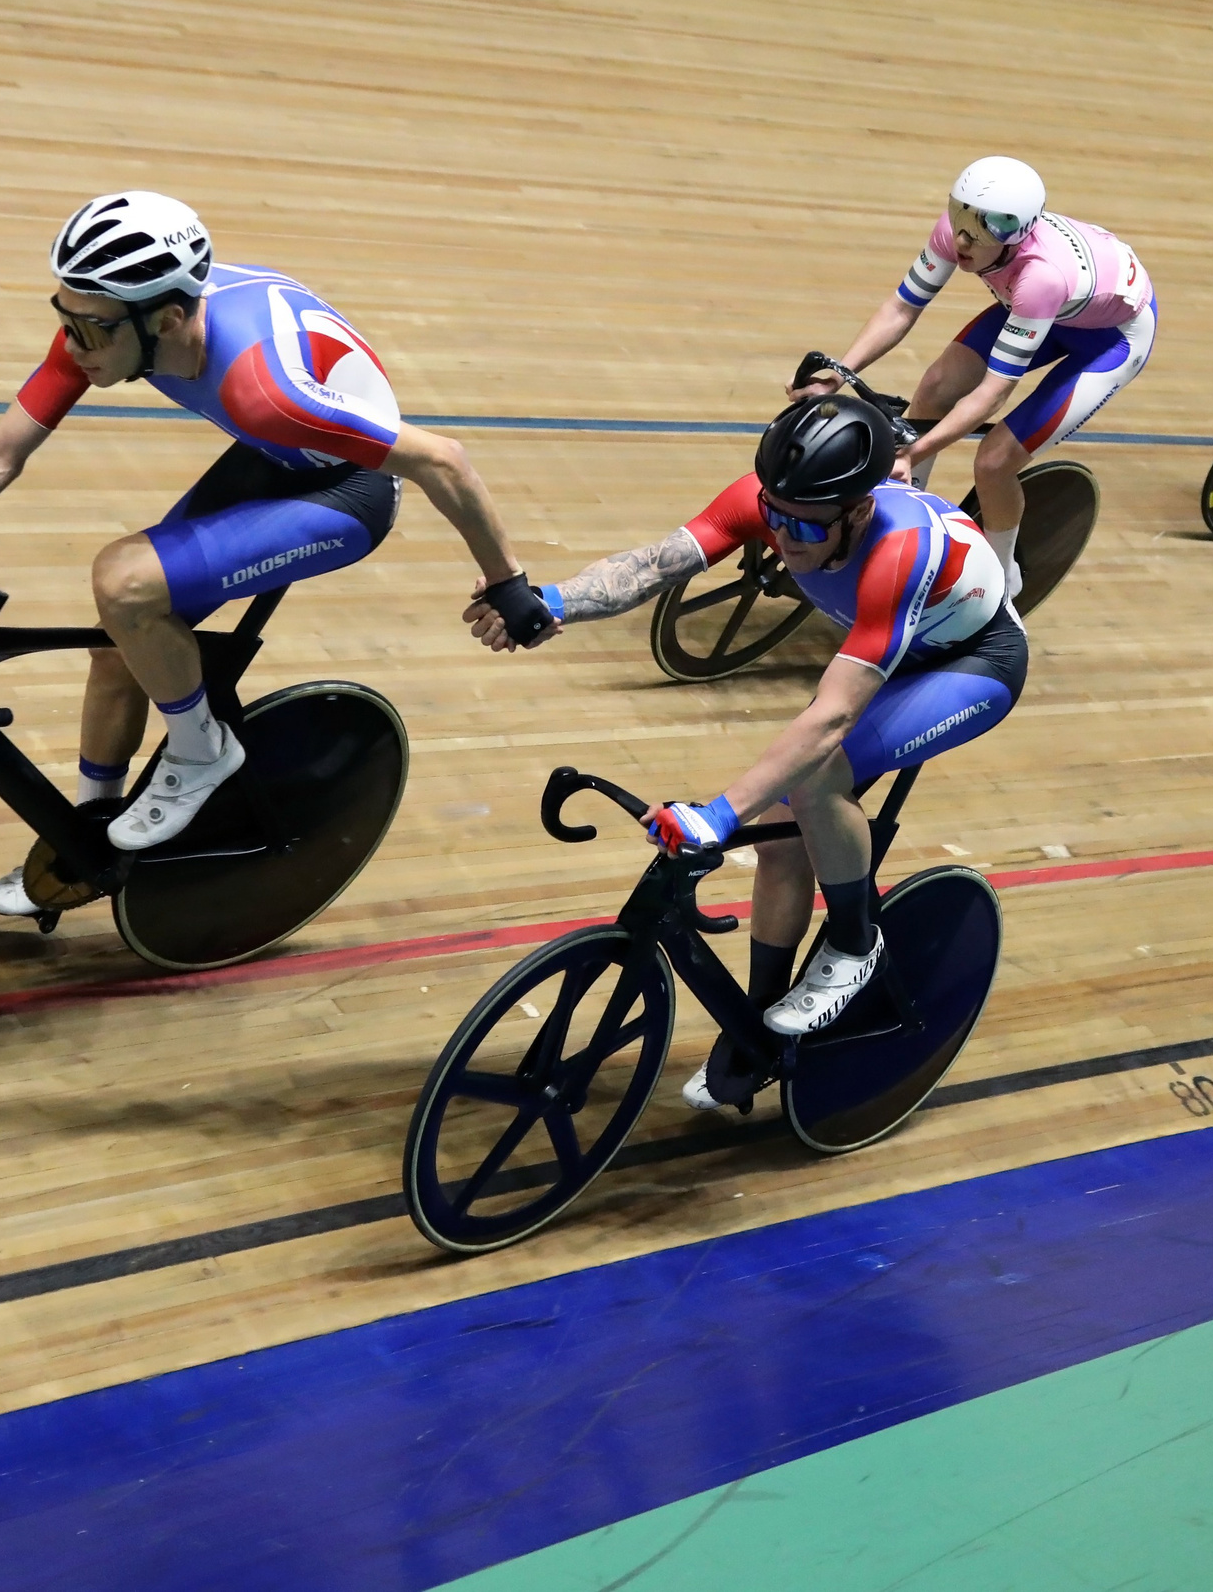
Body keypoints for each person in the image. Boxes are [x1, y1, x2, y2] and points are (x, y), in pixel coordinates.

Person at [0, 191, 549, 916]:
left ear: (166, 316)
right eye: (64, 319)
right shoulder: (123, 315)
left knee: (124, 582)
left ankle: (201, 753)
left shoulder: (264, 390)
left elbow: (443, 460)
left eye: (91, 330)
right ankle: (81, 844)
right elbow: (1, 451)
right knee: (119, 642)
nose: (74, 346)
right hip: (282, 460)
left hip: (349, 493)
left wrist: (505, 580)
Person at [465, 395, 1023, 1113]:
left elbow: (831, 718)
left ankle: (855, 945)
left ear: (856, 512)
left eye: (803, 526)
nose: (783, 537)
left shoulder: (898, 552)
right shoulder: (780, 503)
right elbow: (652, 566)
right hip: (890, 650)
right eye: (774, 514)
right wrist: (550, 602)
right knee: (785, 842)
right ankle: (757, 1032)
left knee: (818, 774)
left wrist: (721, 813)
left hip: (967, 666)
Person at [792, 156, 1154, 600]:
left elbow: (992, 394)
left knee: (995, 460)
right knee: (934, 390)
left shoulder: (1040, 277)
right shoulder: (957, 232)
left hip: (1111, 341)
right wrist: (836, 376)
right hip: (1053, 312)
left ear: (1015, 233)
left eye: (980, 231)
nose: (962, 238)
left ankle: (1002, 579)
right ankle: (903, 521)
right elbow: (901, 308)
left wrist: (914, 449)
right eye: (959, 215)